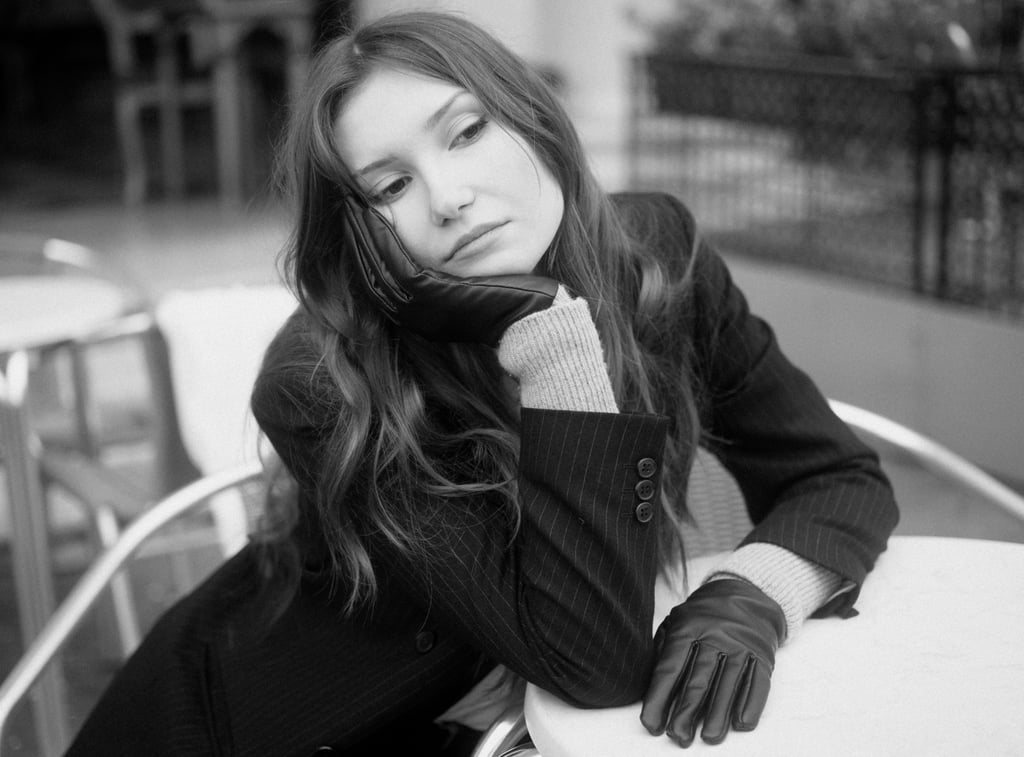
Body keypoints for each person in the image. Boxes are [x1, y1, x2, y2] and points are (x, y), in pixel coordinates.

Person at [65, 10, 899, 756]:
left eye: (466, 132)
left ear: (532, 119)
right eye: (391, 186)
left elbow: (838, 474)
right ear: (360, 239)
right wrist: (548, 335)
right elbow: (595, 661)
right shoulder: (321, 382)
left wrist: (752, 593)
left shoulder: (658, 261)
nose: (450, 198)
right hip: (281, 726)